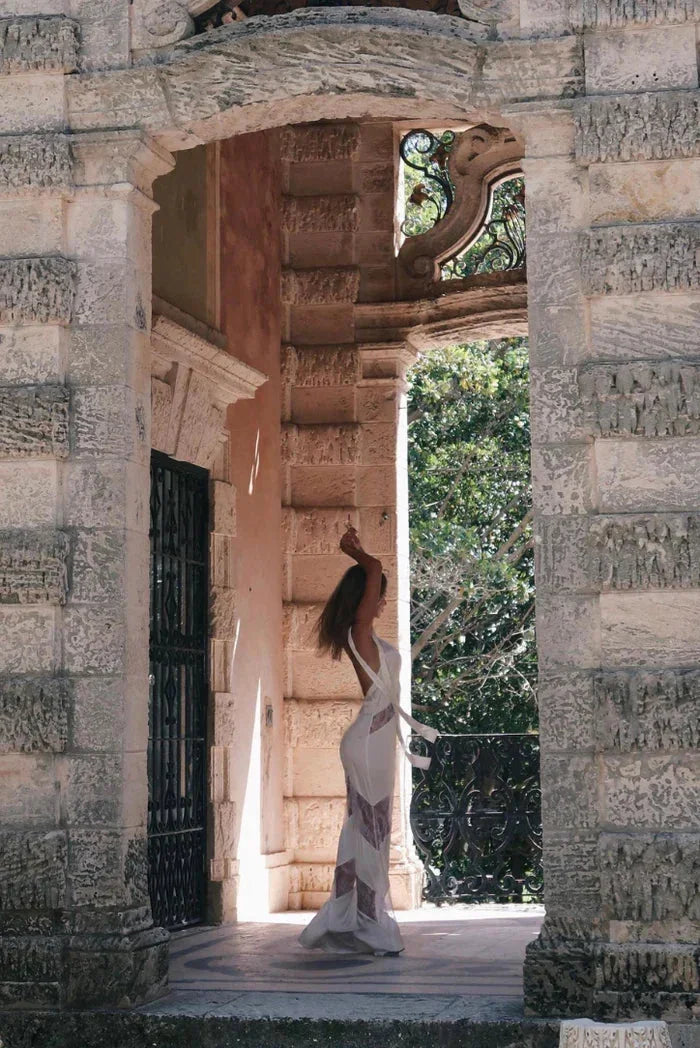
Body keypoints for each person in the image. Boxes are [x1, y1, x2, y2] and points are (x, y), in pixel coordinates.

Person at [298, 521, 439, 956]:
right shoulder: (359, 634)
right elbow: (375, 567)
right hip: (367, 743)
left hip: (374, 741)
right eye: (379, 594)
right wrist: (358, 554)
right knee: (370, 833)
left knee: (367, 832)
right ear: (367, 597)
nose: (382, 601)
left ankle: (353, 921)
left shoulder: (369, 637)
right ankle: (365, 923)